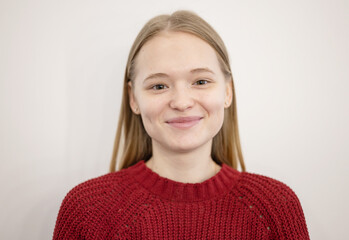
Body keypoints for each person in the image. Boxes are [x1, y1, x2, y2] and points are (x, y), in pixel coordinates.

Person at [53, 10, 309, 239]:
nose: (181, 102)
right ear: (134, 99)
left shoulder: (275, 206)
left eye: (200, 81)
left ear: (228, 92)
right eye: (159, 86)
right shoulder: (87, 210)